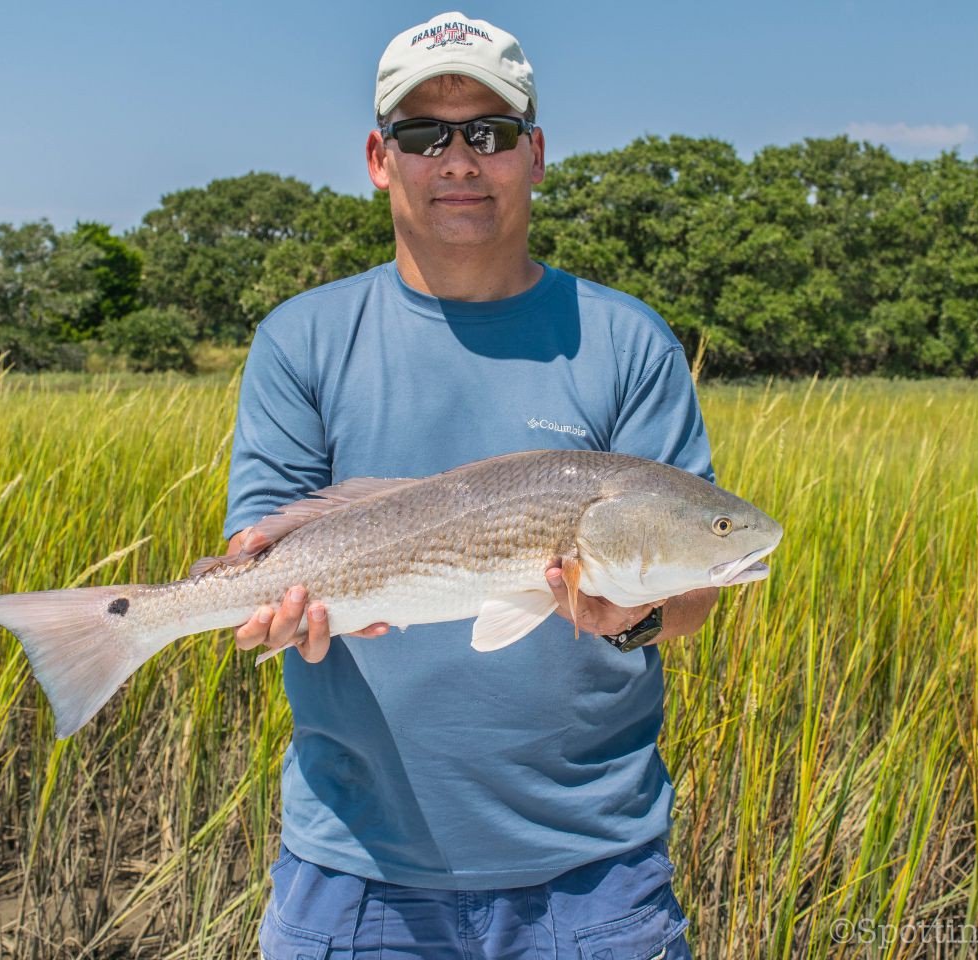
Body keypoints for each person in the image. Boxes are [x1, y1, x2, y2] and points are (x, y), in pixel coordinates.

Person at [222, 11, 719, 958]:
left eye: (489, 134)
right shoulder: (301, 338)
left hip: (592, 872)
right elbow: (266, 543)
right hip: (354, 871)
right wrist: (271, 607)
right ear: (380, 157)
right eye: (424, 135)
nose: (459, 161)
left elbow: (694, 588)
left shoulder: (626, 342)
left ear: (534, 154)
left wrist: (636, 615)